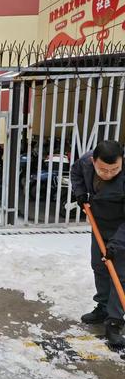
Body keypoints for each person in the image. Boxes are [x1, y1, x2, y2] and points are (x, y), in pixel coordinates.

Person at [71, 140, 125, 347]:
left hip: (121, 228)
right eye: (103, 169)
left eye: (115, 169)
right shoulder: (85, 162)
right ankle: (103, 307)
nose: (109, 174)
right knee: (99, 266)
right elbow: (75, 174)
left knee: (119, 275)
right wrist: (80, 193)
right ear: (94, 161)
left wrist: (116, 245)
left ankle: (115, 321)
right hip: (99, 224)